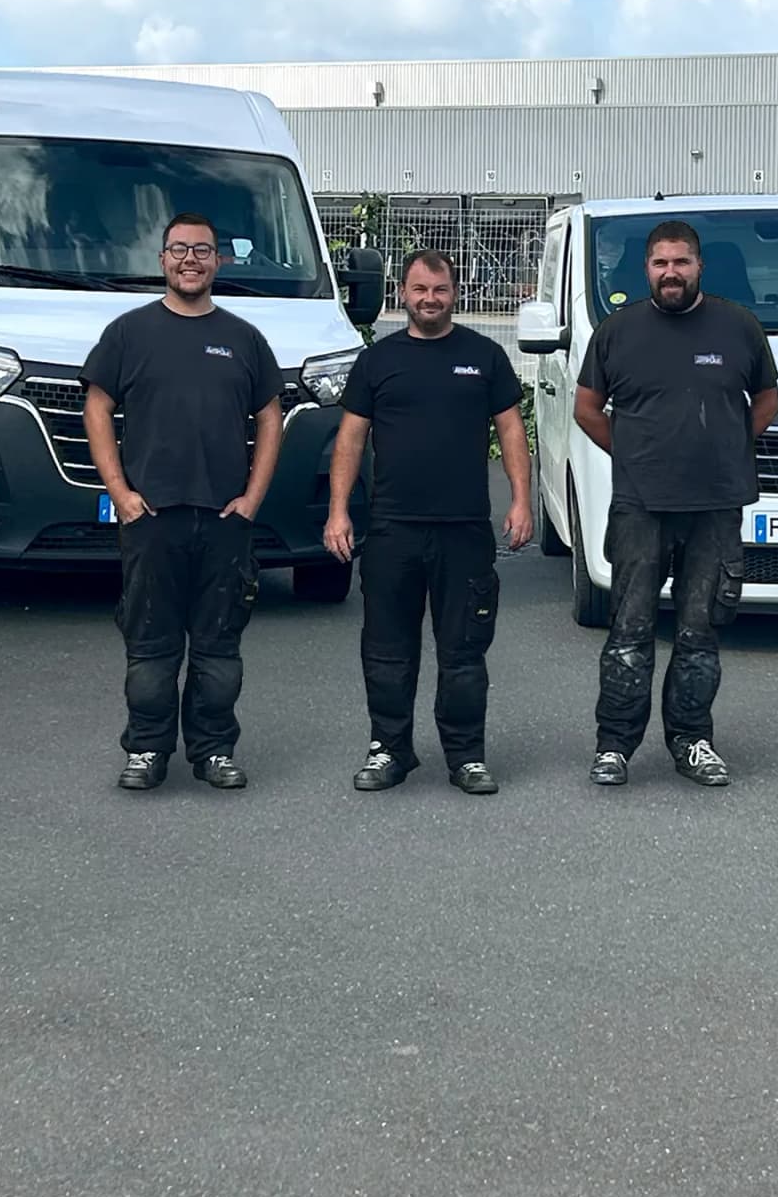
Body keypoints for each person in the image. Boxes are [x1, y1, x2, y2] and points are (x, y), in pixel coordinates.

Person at [570, 218, 778, 789]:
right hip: (640, 506)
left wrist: (729, 448)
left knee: (698, 633)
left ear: (699, 266)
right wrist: (634, 455)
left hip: (715, 506)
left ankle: (692, 740)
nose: (671, 273)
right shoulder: (617, 332)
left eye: (681, 262)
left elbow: (766, 399)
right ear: (647, 269)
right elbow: (587, 409)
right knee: (630, 631)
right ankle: (614, 746)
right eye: (660, 263)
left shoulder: (739, 326)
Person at [83, 212, 287, 791]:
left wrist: (253, 498)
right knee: (151, 646)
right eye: (179, 250)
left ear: (218, 261)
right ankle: (147, 750)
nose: (190, 260)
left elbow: (270, 417)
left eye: (201, 250)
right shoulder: (129, 334)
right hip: (152, 520)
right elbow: (97, 407)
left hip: (225, 521)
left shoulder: (244, 339)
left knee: (219, 650)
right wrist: (120, 494)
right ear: (162, 260)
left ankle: (214, 751)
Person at [323, 247, 535, 796]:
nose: (430, 299)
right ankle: (388, 749)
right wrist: (338, 510)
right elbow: (350, 438)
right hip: (392, 529)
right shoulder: (378, 361)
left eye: (440, 290)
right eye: (420, 290)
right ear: (403, 294)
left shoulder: (485, 357)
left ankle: (467, 756)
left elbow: (511, 430)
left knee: (463, 651)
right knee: (387, 651)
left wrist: (521, 500)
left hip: (464, 529)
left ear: (455, 294)